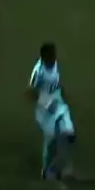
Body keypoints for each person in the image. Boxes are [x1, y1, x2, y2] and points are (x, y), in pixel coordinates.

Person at [26, 42, 75, 180]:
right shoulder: (39, 71)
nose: (54, 58)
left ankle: (65, 168)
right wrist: (45, 103)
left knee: (69, 133)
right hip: (45, 111)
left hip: (59, 104)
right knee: (51, 140)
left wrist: (63, 94)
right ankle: (48, 170)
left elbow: (57, 82)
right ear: (44, 57)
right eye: (52, 56)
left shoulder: (54, 64)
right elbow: (30, 92)